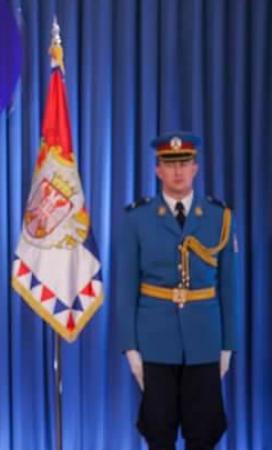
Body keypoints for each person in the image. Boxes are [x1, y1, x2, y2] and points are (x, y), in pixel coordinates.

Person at [117, 132, 238, 449]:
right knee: (159, 434)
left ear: (196, 167)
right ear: (157, 170)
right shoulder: (136, 218)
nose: (178, 171)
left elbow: (229, 287)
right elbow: (126, 288)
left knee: (203, 434)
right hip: (155, 341)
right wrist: (131, 347)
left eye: (184, 163)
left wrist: (228, 345)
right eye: (169, 164)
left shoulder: (219, 216)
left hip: (204, 340)